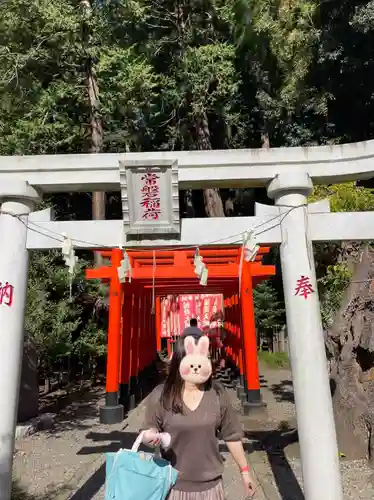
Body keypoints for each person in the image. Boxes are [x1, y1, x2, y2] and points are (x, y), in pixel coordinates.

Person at [142, 335, 256, 499]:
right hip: (173, 485)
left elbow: (231, 435)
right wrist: (150, 435)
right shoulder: (162, 394)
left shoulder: (216, 393)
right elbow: (150, 427)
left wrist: (245, 472)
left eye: (205, 358)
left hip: (211, 486)